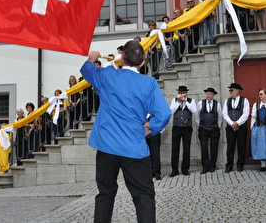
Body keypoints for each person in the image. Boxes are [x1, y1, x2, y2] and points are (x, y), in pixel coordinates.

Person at [80, 40, 171, 223]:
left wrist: (92, 58)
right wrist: (150, 127)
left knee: (105, 194)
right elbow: (164, 113)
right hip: (134, 148)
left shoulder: (107, 75)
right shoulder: (148, 83)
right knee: (144, 196)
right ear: (143, 61)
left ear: (122, 57)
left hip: (107, 147)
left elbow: (86, 70)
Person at [169, 85, 197, 176]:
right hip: (176, 127)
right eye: (180, 93)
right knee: (175, 149)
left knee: (186, 148)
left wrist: (185, 101)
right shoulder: (174, 100)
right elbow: (171, 111)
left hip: (187, 127)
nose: (181, 94)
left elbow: (194, 110)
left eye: (183, 93)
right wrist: (178, 102)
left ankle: (185, 169)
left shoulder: (191, 101)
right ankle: (174, 170)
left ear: (186, 93)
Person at [223, 83, 250, 173]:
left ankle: (240, 165)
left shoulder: (244, 100)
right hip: (230, 127)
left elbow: (245, 114)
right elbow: (225, 113)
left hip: (241, 127)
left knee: (241, 146)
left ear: (238, 91)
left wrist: (237, 123)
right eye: (230, 90)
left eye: (232, 90)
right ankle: (229, 165)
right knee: (230, 146)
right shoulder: (227, 101)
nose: (230, 92)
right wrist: (232, 123)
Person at [196, 88, 222, 174]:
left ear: (213, 95)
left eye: (209, 94)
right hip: (203, 128)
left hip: (214, 129)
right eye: (207, 94)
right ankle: (205, 166)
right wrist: (200, 125)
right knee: (204, 147)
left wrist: (218, 126)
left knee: (214, 147)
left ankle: (212, 166)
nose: (208, 95)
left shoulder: (217, 104)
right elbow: (197, 116)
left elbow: (220, 117)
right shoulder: (200, 103)